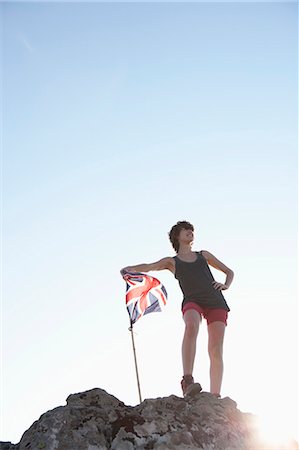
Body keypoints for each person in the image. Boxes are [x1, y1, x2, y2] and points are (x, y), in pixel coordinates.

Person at [121, 220, 234, 397]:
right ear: (177, 236)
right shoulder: (171, 262)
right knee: (191, 325)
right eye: (185, 230)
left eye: (191, 230)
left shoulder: (203, 255)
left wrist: (226, 285)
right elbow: (150, 266)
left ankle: (215, 396)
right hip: (192, 300)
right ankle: (187, 381)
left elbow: (229, 272)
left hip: (215, 301)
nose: (190, 232)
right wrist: (129, 269)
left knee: (215, 349)